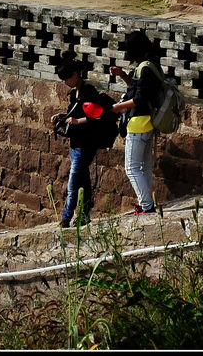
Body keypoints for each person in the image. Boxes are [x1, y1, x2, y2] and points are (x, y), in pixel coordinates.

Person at [49, 51, 111, 228]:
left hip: (86, 143)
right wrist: (62, 116)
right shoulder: (74, 94)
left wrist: (77, 121)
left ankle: (66, 217)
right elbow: (73, 112)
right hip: (75, 143)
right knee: (84, 180)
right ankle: (84, 214)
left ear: (75, 75)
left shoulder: (88, 92)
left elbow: (98, 115)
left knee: (73, 182)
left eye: (67, 79)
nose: (66, 83)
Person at [109, 30, 162, 215]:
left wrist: (117, 107)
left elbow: (139, 98)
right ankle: (147, 204)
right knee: (144, 166)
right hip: (149, 123)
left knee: (131, 168)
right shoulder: (152, 63)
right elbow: (139, 88)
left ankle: (147, 206)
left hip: (138, 122)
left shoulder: (145, 68)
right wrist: (123, 75)